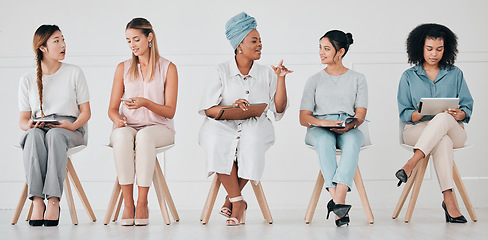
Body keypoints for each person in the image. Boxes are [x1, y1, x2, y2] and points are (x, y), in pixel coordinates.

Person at [198, 12, 291, 226]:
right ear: (239, 44)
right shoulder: (220, 70)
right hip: (221, 123)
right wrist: (231, 107)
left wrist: (281, 79)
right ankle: (239, 201)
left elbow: (279, 108)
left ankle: (232, 198)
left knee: (252, 140)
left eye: (260, 41)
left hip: (256, 124)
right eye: (254, 41)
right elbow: (209, 110)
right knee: (214, 139)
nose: (260, 45)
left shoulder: (267, 73)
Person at [396, 23, 473, 223]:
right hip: (417, 130)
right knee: (442, 141)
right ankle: (449, 200)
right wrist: (422, 112)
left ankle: (411, 163)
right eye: (429, 49)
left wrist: (459, 114)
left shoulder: (455, 73)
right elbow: (405, 113)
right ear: (420, 48)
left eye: (439, 49)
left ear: (446, 49)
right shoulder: (408, 77)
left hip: (453, 129)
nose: (434, 54)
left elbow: (467, 107)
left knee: (443, 118)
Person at [18, 25, 91, 226]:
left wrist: (70, 125)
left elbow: (86, 113)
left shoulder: (74, 72)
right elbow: (23, 120)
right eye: (56, 41)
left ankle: (53, 200)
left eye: (63, 39)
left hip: (71, 129)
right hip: (40, 128)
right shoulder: (27, 79)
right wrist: (31, 125)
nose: (63, 45)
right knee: (33, 136)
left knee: (55, 136)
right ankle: (38, 200)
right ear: (43, 47)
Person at [108, 17, 178, 226]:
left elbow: (170, 111)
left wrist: (146, 103)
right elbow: (112, 109)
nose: (132, 45)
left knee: (145, 137)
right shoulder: (123, 67)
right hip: (129, 126)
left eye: (136, 39)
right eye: (128, 41)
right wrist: (118, 120)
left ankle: (142, 203)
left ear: (150, 37)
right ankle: (128, 204)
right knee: (121, 136)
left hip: (160, 128)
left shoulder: (168, 68)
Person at [299, 30, 368, 227]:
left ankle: (337, 204)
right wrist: (325, 123)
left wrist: (350, 124)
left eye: (326, 48)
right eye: (320, 47)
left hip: (347, 125)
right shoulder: (313, 80)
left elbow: (361, 114)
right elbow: (304, 118)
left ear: (341, 52)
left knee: (354, 140)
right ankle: (340, 201)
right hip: (319, 128)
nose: (321, 52)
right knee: (325, 140)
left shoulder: (358, 78)